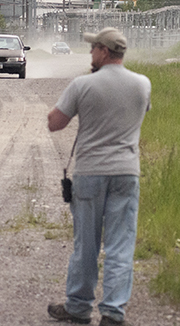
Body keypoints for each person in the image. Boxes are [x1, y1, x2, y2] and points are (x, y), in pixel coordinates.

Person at [47, 27, 151, 326]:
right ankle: (113, 312)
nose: (91, 53)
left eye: (94, 48)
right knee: (120, 244)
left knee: (87, 244)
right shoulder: (142, 84)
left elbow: (55, 123)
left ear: (105, 52)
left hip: (91, 172)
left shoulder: (83, 84)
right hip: (126, 172)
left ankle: (79, 307)